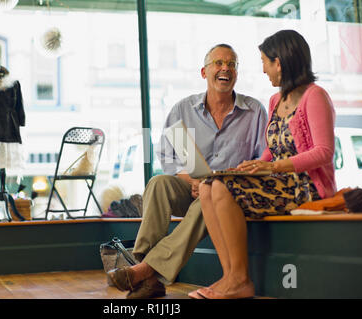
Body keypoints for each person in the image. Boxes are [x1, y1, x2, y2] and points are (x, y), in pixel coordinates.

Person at [107, 43, 268, 298]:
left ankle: (142, 273)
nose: (225, 68)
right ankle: (145, 269)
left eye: (232, 64)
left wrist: (219, 181)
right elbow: (166, 156)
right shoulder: (182, 109)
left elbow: (264, 159)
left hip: (228, 195)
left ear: (236, 73)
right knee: (158, 183)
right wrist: (190, 179)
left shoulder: (255, 111)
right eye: (218, 63)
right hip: (190, 184)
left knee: (210, 194)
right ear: (204, 72)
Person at [193, 30, 336, 299]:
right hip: (280, 181)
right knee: (207, 187)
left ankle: (240, 279)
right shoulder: (276, 100)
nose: (263, 70)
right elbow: (273, 149)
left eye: (265, 62)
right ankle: (230, 276)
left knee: (222, 188)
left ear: (279, 62)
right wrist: (251, 166)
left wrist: (273, 168)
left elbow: (324, 152)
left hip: (306, 186)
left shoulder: (314, 96)